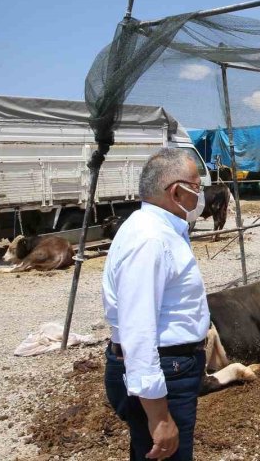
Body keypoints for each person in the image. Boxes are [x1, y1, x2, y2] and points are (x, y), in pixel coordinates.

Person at [102, 148, 210, 460]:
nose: (201, 196)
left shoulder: (158, 229)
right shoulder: (151, 240)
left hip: (171, 367)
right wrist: (160, 417)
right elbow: (138, 330)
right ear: (177, 191)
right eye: (197, 187)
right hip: (167, 370)